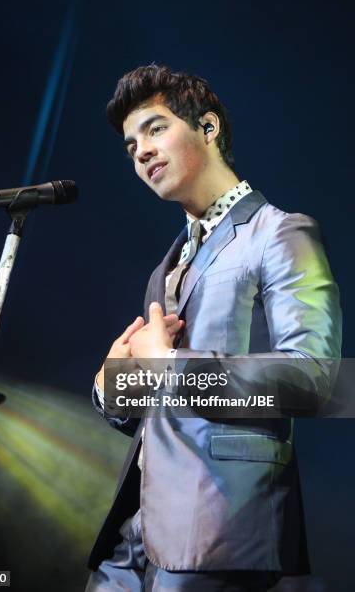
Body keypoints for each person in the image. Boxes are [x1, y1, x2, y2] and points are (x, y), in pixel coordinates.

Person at [85, 65, 342, 591]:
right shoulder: (167, 266)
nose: (141, 151)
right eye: (131, 144)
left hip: (220, 528)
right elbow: (156, 401)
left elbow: (316, 381)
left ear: (208, 127)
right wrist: (113, 385)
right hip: (135, 536)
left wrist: (170, 366)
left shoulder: (281, 233)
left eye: (155, 129)